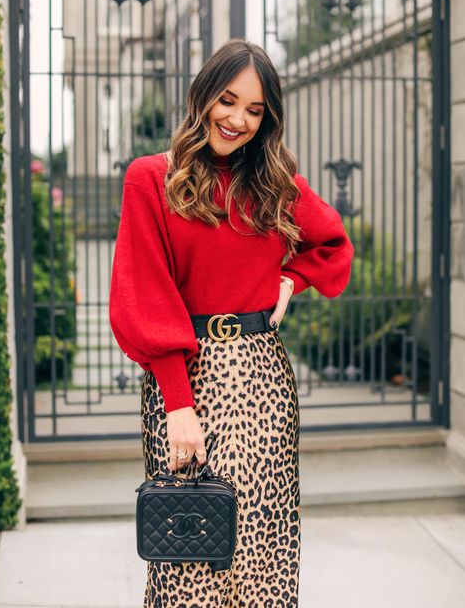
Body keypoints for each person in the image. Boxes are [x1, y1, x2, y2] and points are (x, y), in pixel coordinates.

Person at [109, 37, 354, 607]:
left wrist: (291, 279)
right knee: (191, 548)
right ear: (202, 97)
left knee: (265, 549)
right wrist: (178, 405)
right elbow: (144, 293)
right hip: (187, 378)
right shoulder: (151, 178)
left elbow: (333, 242)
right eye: (228, 100)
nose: (238, 119)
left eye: (255, 109)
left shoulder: (271, 181)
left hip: (263, 376)